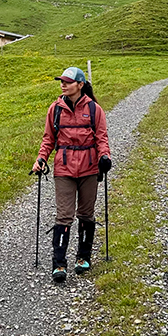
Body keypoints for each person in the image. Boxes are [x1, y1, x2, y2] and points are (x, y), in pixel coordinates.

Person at [33, 66, 111, 283]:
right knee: (64, 215)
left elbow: (101, 138)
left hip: (89, 169)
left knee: (86, 213)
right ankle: (59, 264)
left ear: (80, 85)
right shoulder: (55, 109)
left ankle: (83, 258)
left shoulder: (95, 110)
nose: (63, 84)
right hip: (64, 170)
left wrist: (104, 156)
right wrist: (41, 159)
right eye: (62, 81)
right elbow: (48, 138)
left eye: (68, 81)